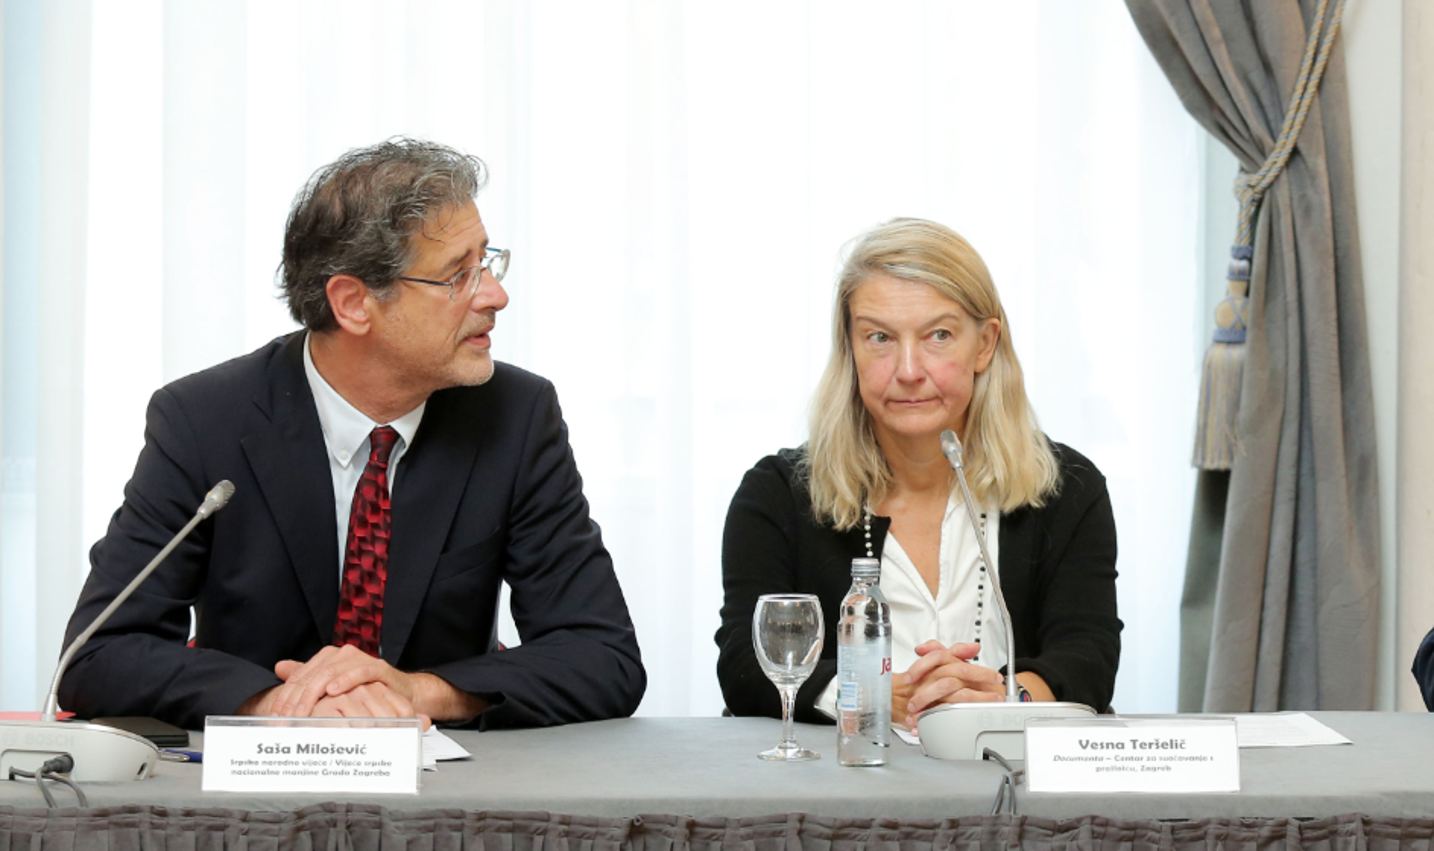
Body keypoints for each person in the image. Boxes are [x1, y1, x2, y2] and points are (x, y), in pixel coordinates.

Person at [60, 138, 644, 729]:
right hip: (257, 777)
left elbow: (603, 657)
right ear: (354, 303)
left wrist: (416, 693)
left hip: (447, 774)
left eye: (487, 263)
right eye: (458, 275)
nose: (496, 295)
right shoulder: (205, 420)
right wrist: (284, 703)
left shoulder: (514, 417)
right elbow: (98, 654)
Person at [717, 218, 1120, 727]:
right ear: (851, 348)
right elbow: (746, 663)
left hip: (1006, 767)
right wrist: (870, 694)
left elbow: (1088, 657)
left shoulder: (1068, 489)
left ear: (984, 344)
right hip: (840, 770)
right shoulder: (776, 494)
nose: (908, 370)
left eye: (938, 335)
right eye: (879, 337)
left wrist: (1003, 699)